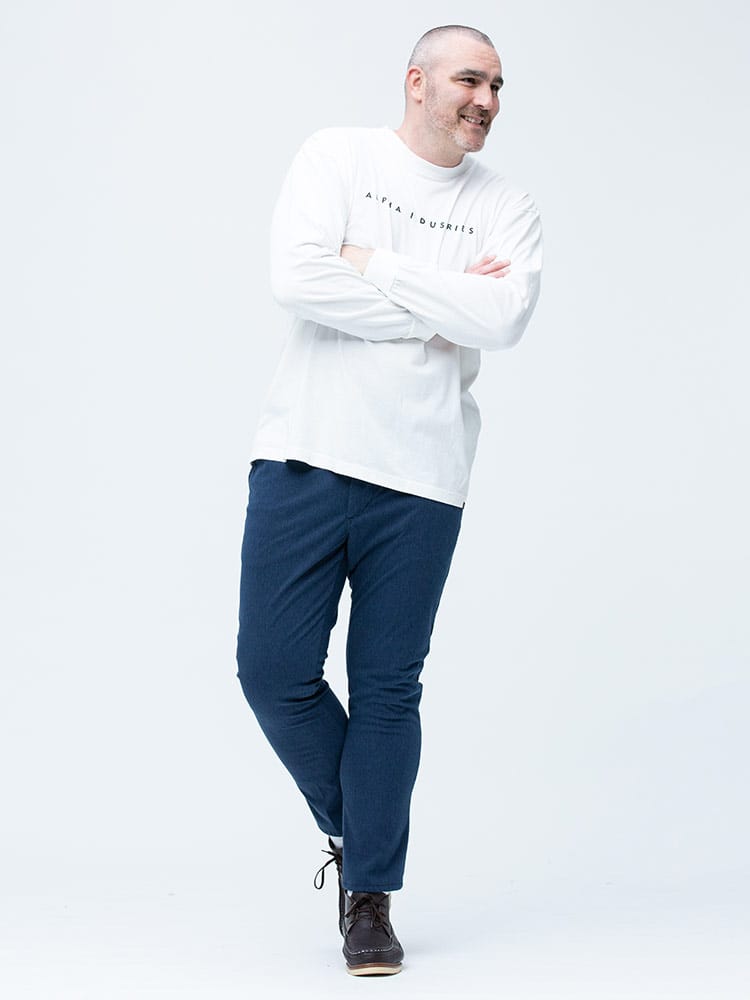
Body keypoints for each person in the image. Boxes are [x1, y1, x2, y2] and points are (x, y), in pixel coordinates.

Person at [235, 24, 543, 976]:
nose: (486, 99)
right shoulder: (338, 156)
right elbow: (298, 277)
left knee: (386, 689)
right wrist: (443, 303)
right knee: (271, 670)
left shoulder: (506, 205)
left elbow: (503, 317)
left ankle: (369, 895)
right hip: (306, 454)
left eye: (498, 85)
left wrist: (371, 262)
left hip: (423, 478)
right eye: (469, 79)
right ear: (417, 82)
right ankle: (361, 827)